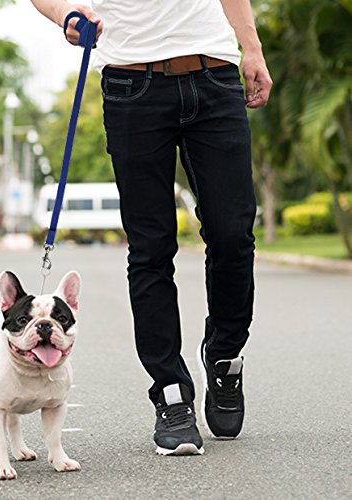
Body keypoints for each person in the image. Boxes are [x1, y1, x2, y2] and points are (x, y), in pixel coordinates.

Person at [31, 0, 272, 455]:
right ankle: (171, 393)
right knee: (150, 248)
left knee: (233, 233)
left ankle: (224, 354)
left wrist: (252, 48)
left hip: (214, 76)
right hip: (130, 84)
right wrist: (67, 15)